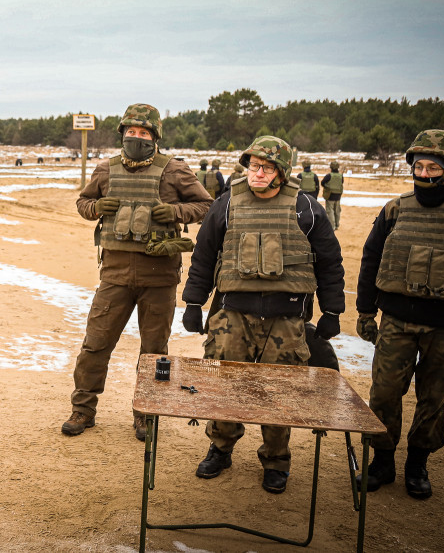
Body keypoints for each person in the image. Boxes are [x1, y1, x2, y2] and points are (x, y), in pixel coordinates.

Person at [181, 135, 345, 494]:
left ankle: (275, 459)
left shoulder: (307, 209)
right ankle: (221, 447)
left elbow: (330, 263)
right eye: (253, 165)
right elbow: (204, 256)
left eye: (266, 167)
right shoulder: (226, 204)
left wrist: (332, 310)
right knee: (225, 384)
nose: (256, 172)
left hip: (286, 317)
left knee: (278, 390)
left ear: (282, 173)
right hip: (232, 313)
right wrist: (194, 302)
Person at [62, 104, 212, 440]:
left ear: (155, 137)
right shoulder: (106, 169)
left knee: (155, 352)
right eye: (131, 131)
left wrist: (173, 211)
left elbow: (206, 205)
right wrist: (97, 207)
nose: (136, 137)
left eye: (144, 133)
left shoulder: (175, 171)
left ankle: (146, 414)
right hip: (114, 275)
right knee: (96, 344)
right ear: (123, 134)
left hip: (158, 277)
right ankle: (82, 410)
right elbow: (83, 204)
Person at [355, 129, 444, 500]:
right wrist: (366, 312)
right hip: (396, 322)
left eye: (432, 167)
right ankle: (382, 461)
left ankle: (417, 464)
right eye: (419, 166)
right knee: (383, 394)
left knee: (434, 399)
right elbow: (371, 261)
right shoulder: (395, 210)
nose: (424, 173)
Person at [321, 160, 344, 230]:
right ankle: (337, 225)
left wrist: (327, 187)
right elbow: (341, 183)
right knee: (337, 211)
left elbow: (322, 183)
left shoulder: (329, 176)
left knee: (330, 211)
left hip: (330, 195)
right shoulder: (341, 176)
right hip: (338, 196)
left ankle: (332, 226)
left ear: (331, 167)